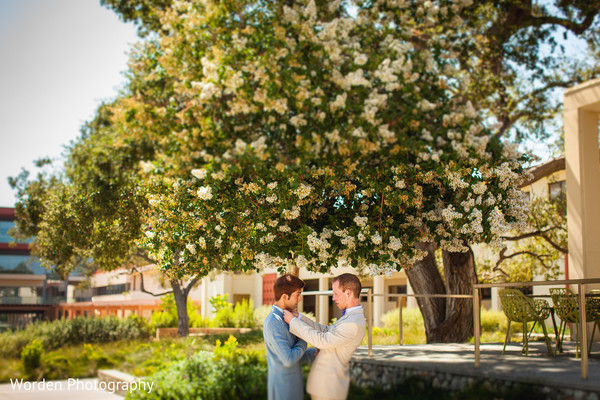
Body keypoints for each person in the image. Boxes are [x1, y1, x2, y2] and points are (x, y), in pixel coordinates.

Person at [283, 273, 366, 400]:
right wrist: (299, 317)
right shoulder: (350, 318)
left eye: (336, 293)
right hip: (326, 386)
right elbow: (326, 331)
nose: (333, 298)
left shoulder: (352, 323)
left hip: (329, 388)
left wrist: (293, 322)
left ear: (348, 293)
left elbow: (323, 340)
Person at [263, 274, 317, 400]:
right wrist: (303, 335)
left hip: (294, 387)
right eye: (297, 294)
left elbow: (295, 354)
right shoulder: (273, 322)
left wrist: (315, 352)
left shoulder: (287, 317)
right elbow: (288, 359)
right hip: (283, 390)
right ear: (284, 296)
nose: (300, 299)